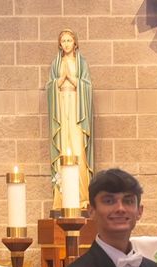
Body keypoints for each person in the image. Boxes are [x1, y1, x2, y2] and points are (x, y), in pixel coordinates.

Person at [47, 28, 93, 206]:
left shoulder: (81, 62)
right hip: (61, 109)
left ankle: (82, 197)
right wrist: (60, 80)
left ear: (75, 43)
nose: (66, 44)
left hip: (76, 108)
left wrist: (72, 80)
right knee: (63, 147)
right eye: (63, 41)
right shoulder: (56, 63)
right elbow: (50, 87)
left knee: (77, 149)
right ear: (60, 44)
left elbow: (87, 86)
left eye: (69, 40)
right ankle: (61, 198)